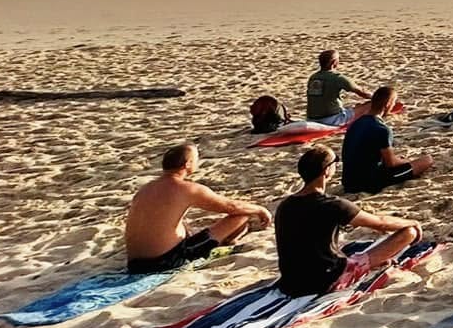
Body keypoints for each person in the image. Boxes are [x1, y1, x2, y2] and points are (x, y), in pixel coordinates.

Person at [274, 145, 424, 297]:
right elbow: (380, 222)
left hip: (290, 283)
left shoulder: (285, 205)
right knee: (408, 232)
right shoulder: (331, 204)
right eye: (335, 161)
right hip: (324, 280)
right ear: (327, 170)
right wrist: (412, 223)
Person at [123, 144, 271, 274]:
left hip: (134, 263)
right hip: (165, 262)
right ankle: (228, 242)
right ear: (188, 164)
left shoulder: (146, 188)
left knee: (181, 223)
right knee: (242, 215)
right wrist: (260, 209)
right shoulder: (188, 189)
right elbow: (232, 207)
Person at [341, 84, 434, 194]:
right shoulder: (381, 129)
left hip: (348, 182)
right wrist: (407, 161)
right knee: (427, 160)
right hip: (368, 183)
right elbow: (391, 163)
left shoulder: (355, 124)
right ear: (388, 104)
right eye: (393, 103)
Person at [305, 49, 368, 126]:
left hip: (311, 118)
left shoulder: (313, 77)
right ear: (334, 62)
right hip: (332, 119)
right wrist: (374, 97)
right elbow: (361, 92)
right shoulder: (337, 78)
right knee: (369, 105)